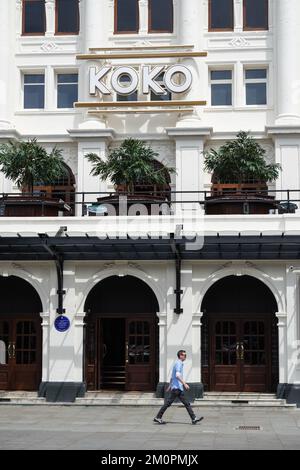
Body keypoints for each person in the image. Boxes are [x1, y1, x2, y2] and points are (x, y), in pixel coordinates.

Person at [154, 350, 203, 425]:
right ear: (180, 356)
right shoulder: (178, 363)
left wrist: (170, 386)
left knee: (185, 403)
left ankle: (194, 418)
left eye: (185, 355)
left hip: (177, 388)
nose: (185, 357)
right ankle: (158, 417)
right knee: (169, 403)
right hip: (177, 389)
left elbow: (172, 377)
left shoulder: (177, 363)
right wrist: (185, 384)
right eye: (184, 355)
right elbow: (177, 376)